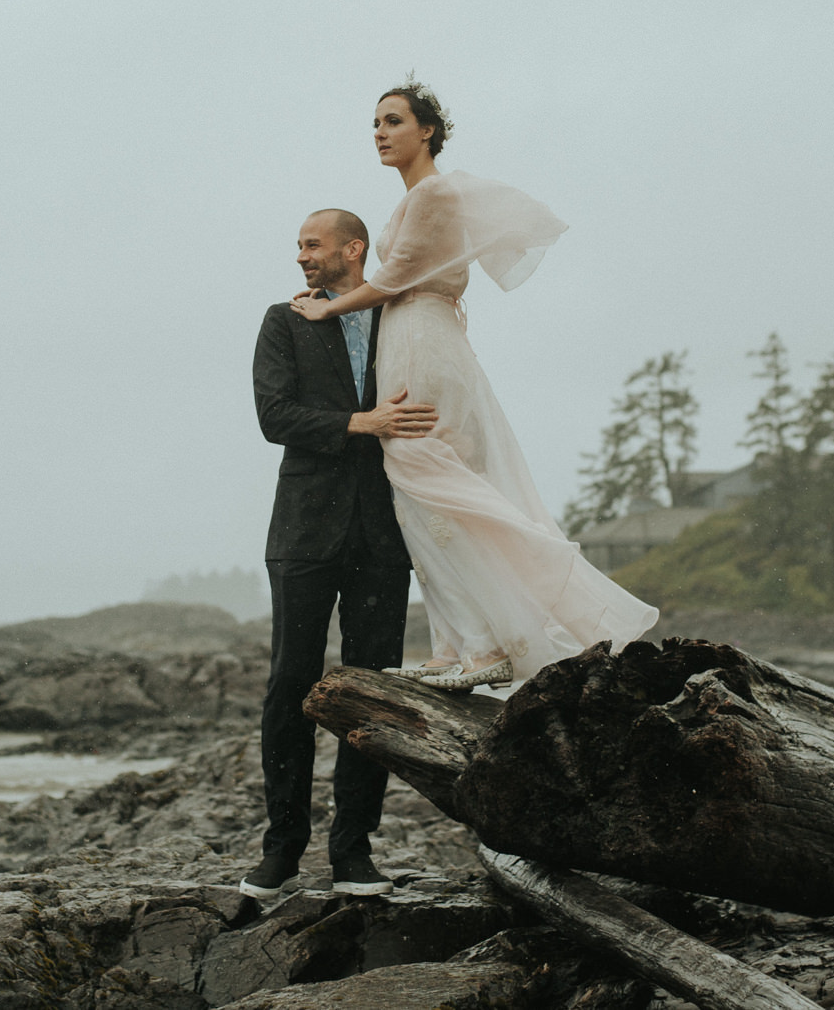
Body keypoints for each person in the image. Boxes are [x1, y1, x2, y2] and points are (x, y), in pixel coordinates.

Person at [291, 82, 659, 690]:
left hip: (422, 343)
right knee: (424, 493)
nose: (380, 133)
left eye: (393, 121)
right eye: (374, 125)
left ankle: (487, 644)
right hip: (417, 336)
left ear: (426, 130)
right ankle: (455, 644)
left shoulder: (434, 192)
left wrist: (328, 311)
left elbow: (399, 274)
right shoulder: (418, 199)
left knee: (422, 475)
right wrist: (333, 296)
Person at [243, 208, 439, 901]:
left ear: (353, 250)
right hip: (303, 530)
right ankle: (282, 848)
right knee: (290, 685)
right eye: (298, 244)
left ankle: (354, 852)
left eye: (312, 244)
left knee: (375, 692)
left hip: (385, 532)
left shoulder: (399, 319)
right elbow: (275, 415)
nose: (301, 255)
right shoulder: (283, 320)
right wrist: (363, 421)